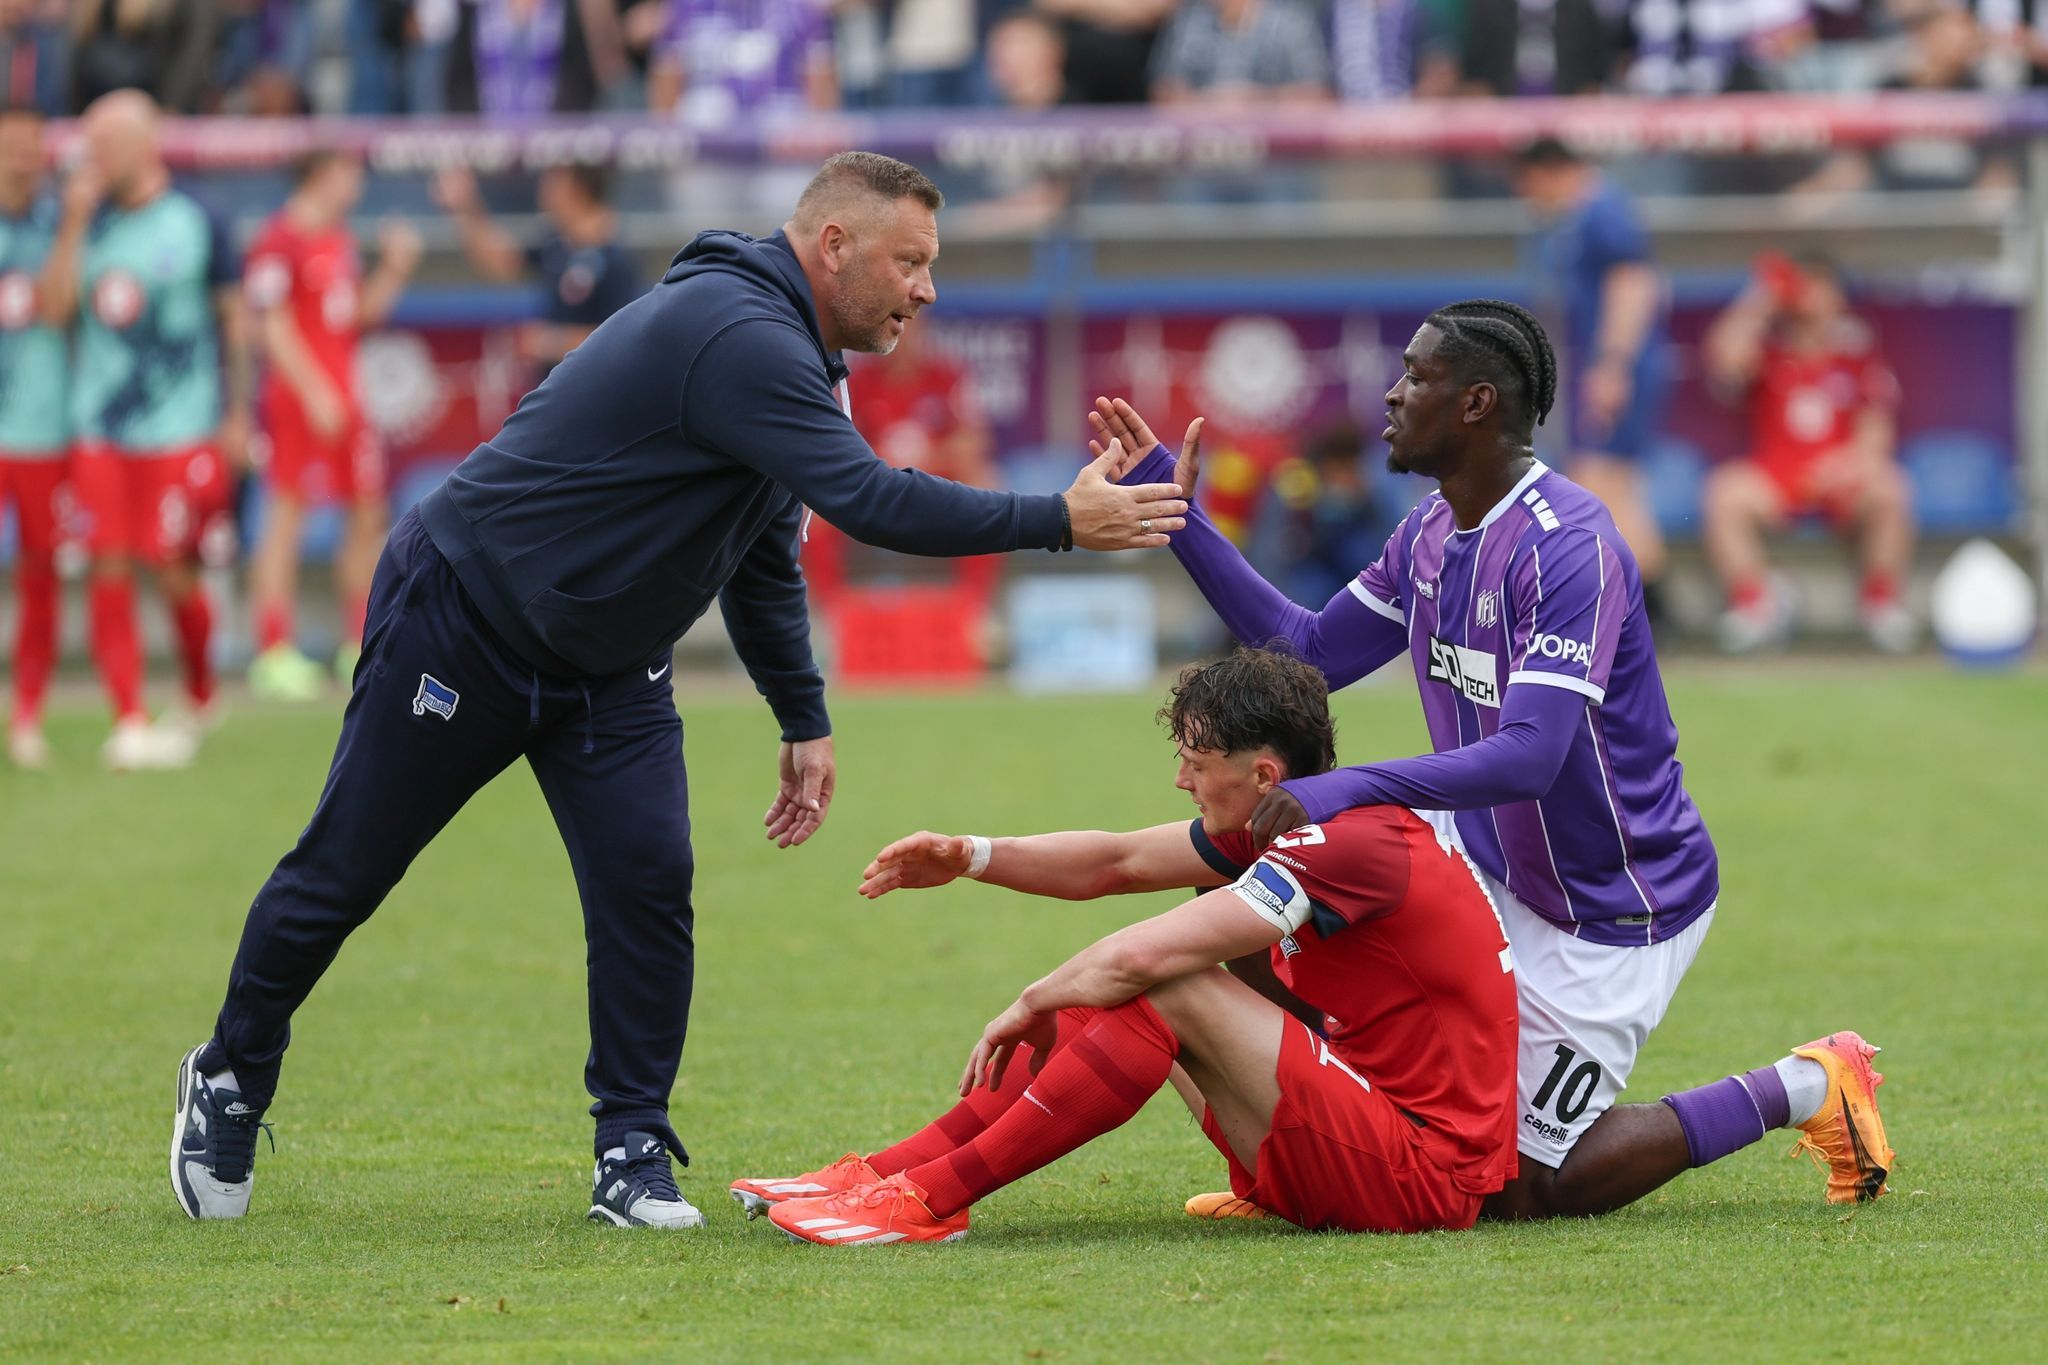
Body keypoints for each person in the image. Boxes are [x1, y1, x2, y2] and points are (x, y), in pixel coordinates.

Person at [166, 151, 1189, 1229]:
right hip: (467, 617)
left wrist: (799, 712)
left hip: (609, 657)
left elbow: (758, 546)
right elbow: (870, 501)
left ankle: (631, 1147)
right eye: (910, 261)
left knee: (647, 883)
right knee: (345, 869)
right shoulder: (739, 334)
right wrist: (1059, 523)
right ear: (832, 247)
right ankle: (232, 1072)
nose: (925, 289)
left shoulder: (794, 351)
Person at [1095, 297, 1895, 1221]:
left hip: (1613, 904)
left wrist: (1345, 787)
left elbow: (1532, 758)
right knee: (1238, 888)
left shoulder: (1571, 549)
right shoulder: (1429, 533)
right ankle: (1303, 1161)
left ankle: (1808, 1084)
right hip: (1483, 859)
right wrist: (1179, 515)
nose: (1392, 395)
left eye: (1415, 377)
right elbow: (1307, 651)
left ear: (1476, 403)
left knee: (1516, 1184)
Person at [731, 646, 1520, 1244]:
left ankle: (931, 1198)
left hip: (1423, 1179)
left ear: (1264, 771)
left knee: (1164, 977)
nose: (1182, 778)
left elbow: (1143, 959)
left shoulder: (1347, 841)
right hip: (1368, 1134)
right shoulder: (1285, 819)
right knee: (1141, 969)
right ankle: (888, 1172)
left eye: (1197, 761)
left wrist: (1034, 999)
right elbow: (1117, 861)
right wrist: (969, 854)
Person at [48, 90, 251, 771]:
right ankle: (128, 715)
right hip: (101, 430)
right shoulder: (87, 222)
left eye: (102, 143)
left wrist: (238, 412)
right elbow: (53, 310)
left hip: (182, 426)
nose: (90, 158)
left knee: (172, 569)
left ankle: (199, 689)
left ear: (142, 144)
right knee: (106, 560)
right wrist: (74, 223)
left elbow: (234, 319)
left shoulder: (199, 218)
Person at [243, 148, 424, 700]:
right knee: (287, 515)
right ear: (322, 174)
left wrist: (394, 269)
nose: (356, 182)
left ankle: (356, 640)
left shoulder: (338, 240)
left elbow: (358, 316)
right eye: (348, 171)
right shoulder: (278, 241)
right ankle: (272, 650)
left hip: (346, 396)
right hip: (302, 400)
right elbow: (269, 326)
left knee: (365, 514)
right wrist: (313, 388)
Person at [1700, 253, 1915, 653]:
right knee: (1725, 490)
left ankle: (1882, 606)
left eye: (1819, 285)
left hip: (1841, 475)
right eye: (1803, 285)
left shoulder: (1858, 353)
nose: (1809, 295)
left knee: (1890, 486)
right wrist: (1761, 298)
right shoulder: (1767, 351)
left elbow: (1877, 431)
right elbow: (1724, 358)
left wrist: (1849, 464)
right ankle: (1755, 607)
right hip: (1778, 475)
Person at [1513, 138, 1671, 620]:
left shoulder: (1603, 212)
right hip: (1609, 364)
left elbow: (1635, 284)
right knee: (1612, 485)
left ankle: (1648, 612)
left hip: (1618, 365)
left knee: (1595, 485)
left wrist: (1612, 365)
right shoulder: (1583, 216)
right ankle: (1656, 611)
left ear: (1547, 171)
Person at [433, 162, 643, 384]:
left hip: (595, 392)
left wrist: (547, 342)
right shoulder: (557, 243)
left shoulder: (617, 258)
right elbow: (502, 262)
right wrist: (466, 206)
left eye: (554, 183)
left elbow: (619, 337)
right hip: (556, 389)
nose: (543, 191)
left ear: (577, 191)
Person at [0, 105, 67, 769]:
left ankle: (28, 714)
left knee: (39, 577)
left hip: (44, 432)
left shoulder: (62, 225)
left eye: (31, 147)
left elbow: (59, 307)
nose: (23, 159)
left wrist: (72, 221)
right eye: (10, 148)